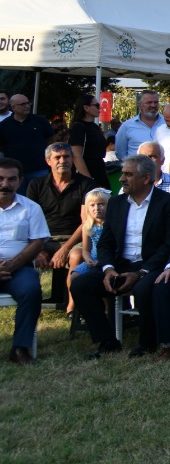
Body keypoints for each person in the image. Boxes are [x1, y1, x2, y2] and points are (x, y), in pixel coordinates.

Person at [71, 154, 170, 357]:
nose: (122, 178)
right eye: (123, 174)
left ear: (146, 177)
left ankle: (147, 343)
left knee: (143, 288)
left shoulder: (169, 203)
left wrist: (141, 272)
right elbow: (105, 242)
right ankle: (107, 341)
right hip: (120, 264)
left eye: (128, 174)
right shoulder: (116, 203)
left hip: (152, 264)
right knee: (80, 284)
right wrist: (108, 269)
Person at [28, 142, 94, 310]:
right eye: (57, 157)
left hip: (75, 238)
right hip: (43, 239)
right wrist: (38, 249)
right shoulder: (36, 185)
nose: (62, 161)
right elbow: (29, 220)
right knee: (24, 254)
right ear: (48, 161)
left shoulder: (86, 185)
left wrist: (65, 249)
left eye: (66, 156)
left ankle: (72, 308)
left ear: (72, 159)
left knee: (76, 256)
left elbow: (86, 221)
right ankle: (29, 303)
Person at [0, 158, 51, 363]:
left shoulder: (31, 208)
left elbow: (37, 242)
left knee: (31, 290)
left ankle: (20, 349)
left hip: (18, 269)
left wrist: (12, 265)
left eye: (11, 179)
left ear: (20, 181)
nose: (5, 184)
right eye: (0, 179)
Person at [0, 93, 55, 181]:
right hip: (15, 171)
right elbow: (1, 146)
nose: (27, 106)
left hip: (39, 168)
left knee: (39, 194)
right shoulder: (4, 125)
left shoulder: (40, 121)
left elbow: (51, 140)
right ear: (13, 107)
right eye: (22, 104)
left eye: (28, 103)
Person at [137, 140, 170, 214]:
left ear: (162, 160)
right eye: (143, 157)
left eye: (152, 156)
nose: (147, 161)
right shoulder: (132, 184)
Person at [68, 93, 110, 189]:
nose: (99, 108)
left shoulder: (94, 127)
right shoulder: (78, 127)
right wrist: (89, 180)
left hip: (99, 170)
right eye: (96, 105)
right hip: (86, 173)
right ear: (86, 108)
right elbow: (76, 156)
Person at [115, 90, 165, 161]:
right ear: (139, 105)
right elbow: (120, 154)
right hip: (137, 170)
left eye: (156, 102)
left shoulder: (166, 123)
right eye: (149, 102)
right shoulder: (127, 126)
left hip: (163, 170)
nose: (153, 105)